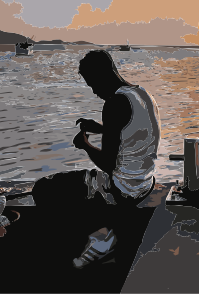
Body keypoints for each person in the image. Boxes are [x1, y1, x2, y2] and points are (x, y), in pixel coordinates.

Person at [31, 49, 161, 269]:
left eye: (92, 84)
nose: (93, 91)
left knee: (43, 188)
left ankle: (93, 239)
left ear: (102, 76)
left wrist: (85, 145)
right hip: (145, 183)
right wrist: (100, 128)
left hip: (122, 189)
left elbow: (107, 164)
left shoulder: (114, 103)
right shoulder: (143, 94)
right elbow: (133, 133)